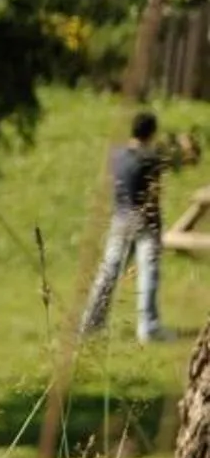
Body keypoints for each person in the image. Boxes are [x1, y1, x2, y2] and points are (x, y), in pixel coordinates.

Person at [81, 110, 198, 343]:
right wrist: (185, 144)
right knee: (148, 275)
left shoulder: (118, 155)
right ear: (152, 132)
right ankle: (149, 328)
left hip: (120, 219)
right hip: (146, 223)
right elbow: (187, 160)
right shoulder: (150, 157)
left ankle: (90, 324)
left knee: (108, 274)